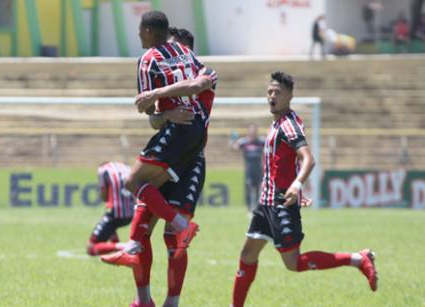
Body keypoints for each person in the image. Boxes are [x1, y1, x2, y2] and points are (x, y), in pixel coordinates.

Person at [230, 72, 378, 307]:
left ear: (290, 95)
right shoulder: (280, 121)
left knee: (294, 263)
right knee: (247, 254)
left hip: (280, 204)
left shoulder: (288, 125)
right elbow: (288, 161)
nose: (272, 96)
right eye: (269, 91)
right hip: (266, 202)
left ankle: (358, 259)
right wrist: (296, 186)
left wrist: (297, 185)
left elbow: (308, 158)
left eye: (277, 92)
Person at [102, 22, 217, 307]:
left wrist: (160, 97)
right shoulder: (170, 79)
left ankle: (172, 303)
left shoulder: (204, 72)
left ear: (186, 51)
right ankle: (143, 301)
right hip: (173, 150)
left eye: (176, 51)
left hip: (191, 160)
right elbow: (154, 119)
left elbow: (197, 86)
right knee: (141, 229)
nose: (171, 59)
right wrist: (166, 114)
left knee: (172, 237)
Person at [86, 161, 135, 256]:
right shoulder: (126, 167)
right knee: (111, 225)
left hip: (115, 213)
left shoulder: (102, 169)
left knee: (90, 247)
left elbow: (104, 196)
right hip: (131, 213)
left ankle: (125, 247)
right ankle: (119, 251)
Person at [229, 124, 265, 212]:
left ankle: (256, 207)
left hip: (259, 170)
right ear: (248, 132)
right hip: (249, 170)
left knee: (257, 189)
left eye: (254, 131)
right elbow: (234, 148)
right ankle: (248, 208)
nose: (252, 133)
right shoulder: (244, 142)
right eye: (251, 131)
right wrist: (232, 141)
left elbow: (270, 147)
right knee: (248, 187)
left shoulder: (261, 142)